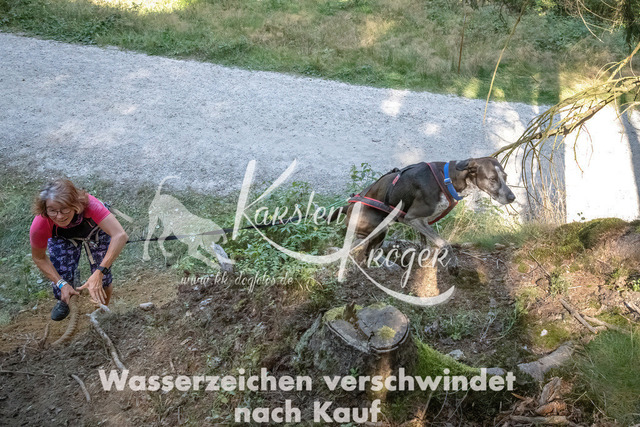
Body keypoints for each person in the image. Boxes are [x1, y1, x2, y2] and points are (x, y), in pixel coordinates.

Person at [29, 179, 128, 321]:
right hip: (62, 237)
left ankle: (101, 312)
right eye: (53, 210)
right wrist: (61, 283)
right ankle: (64, 297)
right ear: (45, 209)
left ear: (75, 204)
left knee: (103, 278)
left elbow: (120, 235)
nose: (59, 216)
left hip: (95, 229)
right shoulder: (41, 223)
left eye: (64, 209)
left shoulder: (91, 205)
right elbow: (39, 257)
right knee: (61, 273)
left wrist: (99, 272)